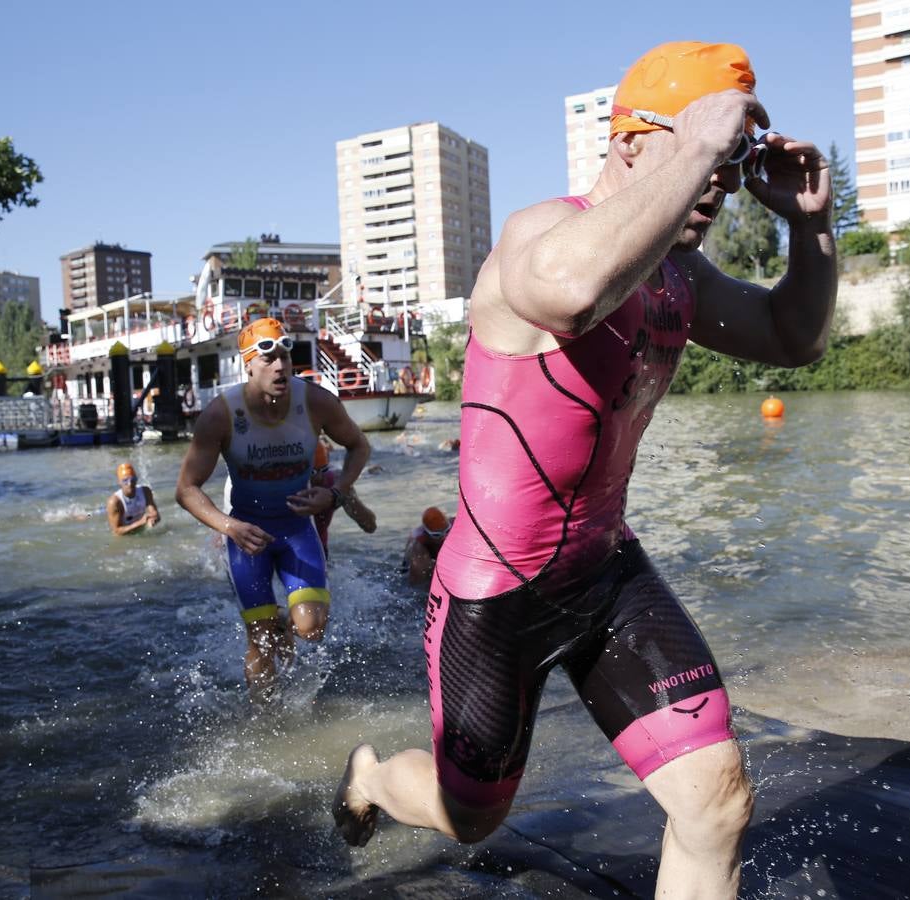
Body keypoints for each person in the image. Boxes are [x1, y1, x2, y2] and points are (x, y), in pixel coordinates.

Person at [333, 41, 836, 898]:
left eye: (735, 157)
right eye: (705, 147)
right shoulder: (543, 233)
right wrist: (700, 150)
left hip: (605, 571)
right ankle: (372, 778)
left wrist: (810, 224)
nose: (719, 178)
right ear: (632, 142)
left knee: (715, 803)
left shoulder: (680, 275)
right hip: (498, 590)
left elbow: (795, 340)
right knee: (470, 816)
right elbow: (572, 292)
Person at [175, 317, 371, 703]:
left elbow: (359, 446)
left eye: (285, 356)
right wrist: (229, 526)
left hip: (297, 530)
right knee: (260, 641)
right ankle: (265, 722)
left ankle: (285, 619)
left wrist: (337, 494)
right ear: (248, 364)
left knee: (312, 629)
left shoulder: (315, 402)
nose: (280, 366)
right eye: (268, 360)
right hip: (248, 537)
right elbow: (186, 489)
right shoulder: (221, 415)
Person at [310, 438, 378, 558]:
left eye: (322, 471)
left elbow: (370, 525)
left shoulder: (333, 482)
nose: (319, 477)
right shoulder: (277, 486)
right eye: (312, 474)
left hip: (319, 554)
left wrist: (343, 494)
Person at [400, 506, 452, 587]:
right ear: (427, 533)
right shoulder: (418, 547)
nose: (444, 537)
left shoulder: (454, 522)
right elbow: (417, 586)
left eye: (447, 531)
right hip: (411, 571)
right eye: (437, 535)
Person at [107, 462, 160, 535]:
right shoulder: (115, 502)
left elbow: (155, 515)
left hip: (141, 528)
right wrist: (140, 523)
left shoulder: (145, 492)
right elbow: (116, 532)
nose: (130, 483)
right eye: (125, 481)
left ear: (136, 480)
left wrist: (153, 519)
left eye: (132, 479)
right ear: (119, 482)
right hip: (127, 535)